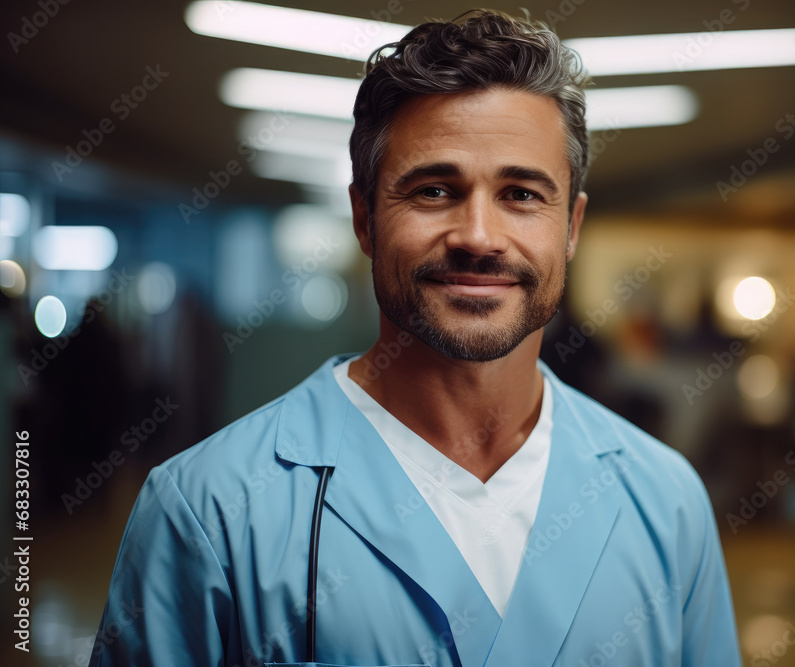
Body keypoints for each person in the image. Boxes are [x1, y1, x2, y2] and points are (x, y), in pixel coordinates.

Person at [89, 10, 740, 666]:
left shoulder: (665, 501)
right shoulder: (209, 512)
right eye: (433, 190)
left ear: (570, 226)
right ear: (365, 218)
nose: (479, 236)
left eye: (520, 193)